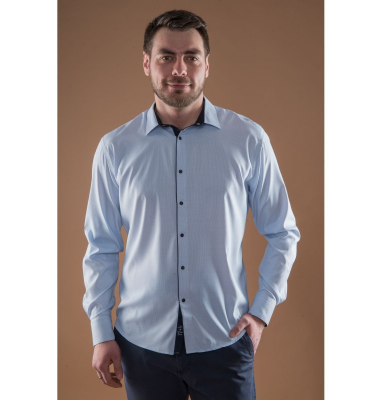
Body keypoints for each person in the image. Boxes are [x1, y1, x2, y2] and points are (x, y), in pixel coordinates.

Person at [82, 9, 301, 400]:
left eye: (191, 57)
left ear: (206, 65)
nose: (179, 69)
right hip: (141, 346)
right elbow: (100, 245)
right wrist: (101, 331)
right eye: (166, 56)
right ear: (147, 63)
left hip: (225, 341)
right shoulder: (115, 149)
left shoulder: (248, 140)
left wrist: (262, 311)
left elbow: (283, 233)